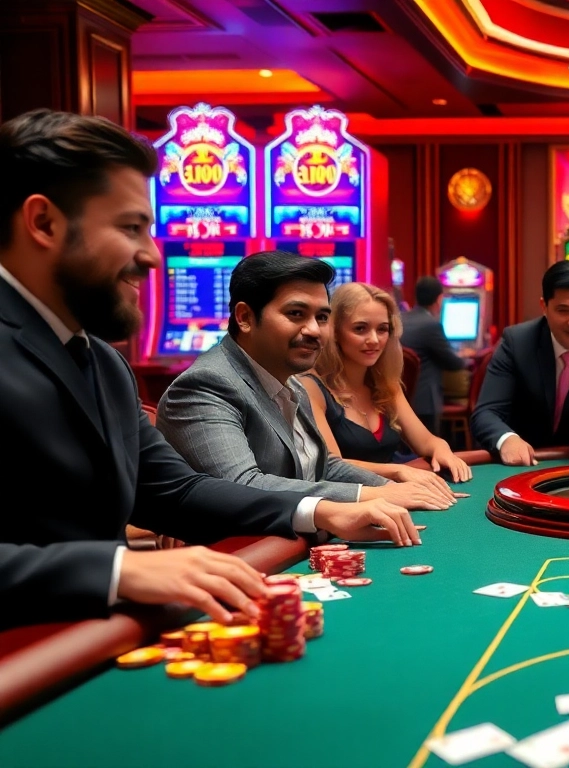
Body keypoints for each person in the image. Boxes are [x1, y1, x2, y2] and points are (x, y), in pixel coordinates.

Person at [0, 110, 418, 628]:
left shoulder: (103, 362)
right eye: (130, 228)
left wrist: (321, 510)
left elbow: (176, 492)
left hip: (89, 645)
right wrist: (118, 570)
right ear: (43, 223)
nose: (153, 256)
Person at [158, 252, 458, 510]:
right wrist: (370, 495)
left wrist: (391, 487)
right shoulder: (206, 384)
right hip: (238, 552)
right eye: (296, 313)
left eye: (322, 317)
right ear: (245, 317)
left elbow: (324, 465)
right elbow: (243, 485)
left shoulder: (292, 383)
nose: (314, 330)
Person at [300, 282, 472, 485]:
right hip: (350, 499)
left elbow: (425, 440)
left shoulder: (384, 384)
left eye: (382, 329)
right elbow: (332, 467)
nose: (374, 339)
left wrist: (442, 449)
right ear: (335, 332)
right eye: (360, 329)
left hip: (396, 494)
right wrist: (398, 471)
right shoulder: (312, 387)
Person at [470, 260, 569, 465]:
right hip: (522, 463)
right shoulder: (517, 342)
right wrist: (507, 439)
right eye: (563, 310)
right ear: (544, 307)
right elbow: (485, 413)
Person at [400, 275, 465, 436]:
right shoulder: (431, 325)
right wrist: (467, 357)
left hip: (400, 399)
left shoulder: (400, 319)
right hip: (424, 403)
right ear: (439, 299)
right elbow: (454, 363)